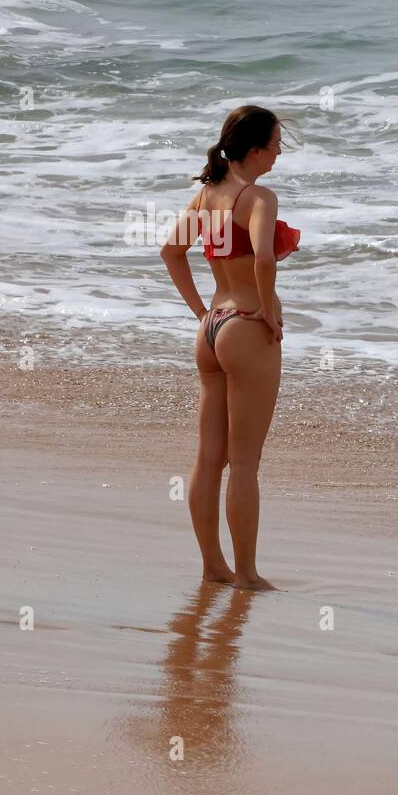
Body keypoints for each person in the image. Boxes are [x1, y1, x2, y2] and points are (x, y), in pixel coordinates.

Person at [160, 106, 300, 591]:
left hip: (212, 327)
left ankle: (212, 567)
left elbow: (171, 252)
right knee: (244, 462)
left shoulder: (207, 194)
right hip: (245, 326)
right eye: (277, 142)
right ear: (256, 148)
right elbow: (262, 257)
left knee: (207, 459)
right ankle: (247, 573)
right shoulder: (257, 197)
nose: (280, 151)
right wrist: (266, 309)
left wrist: (199, 310)